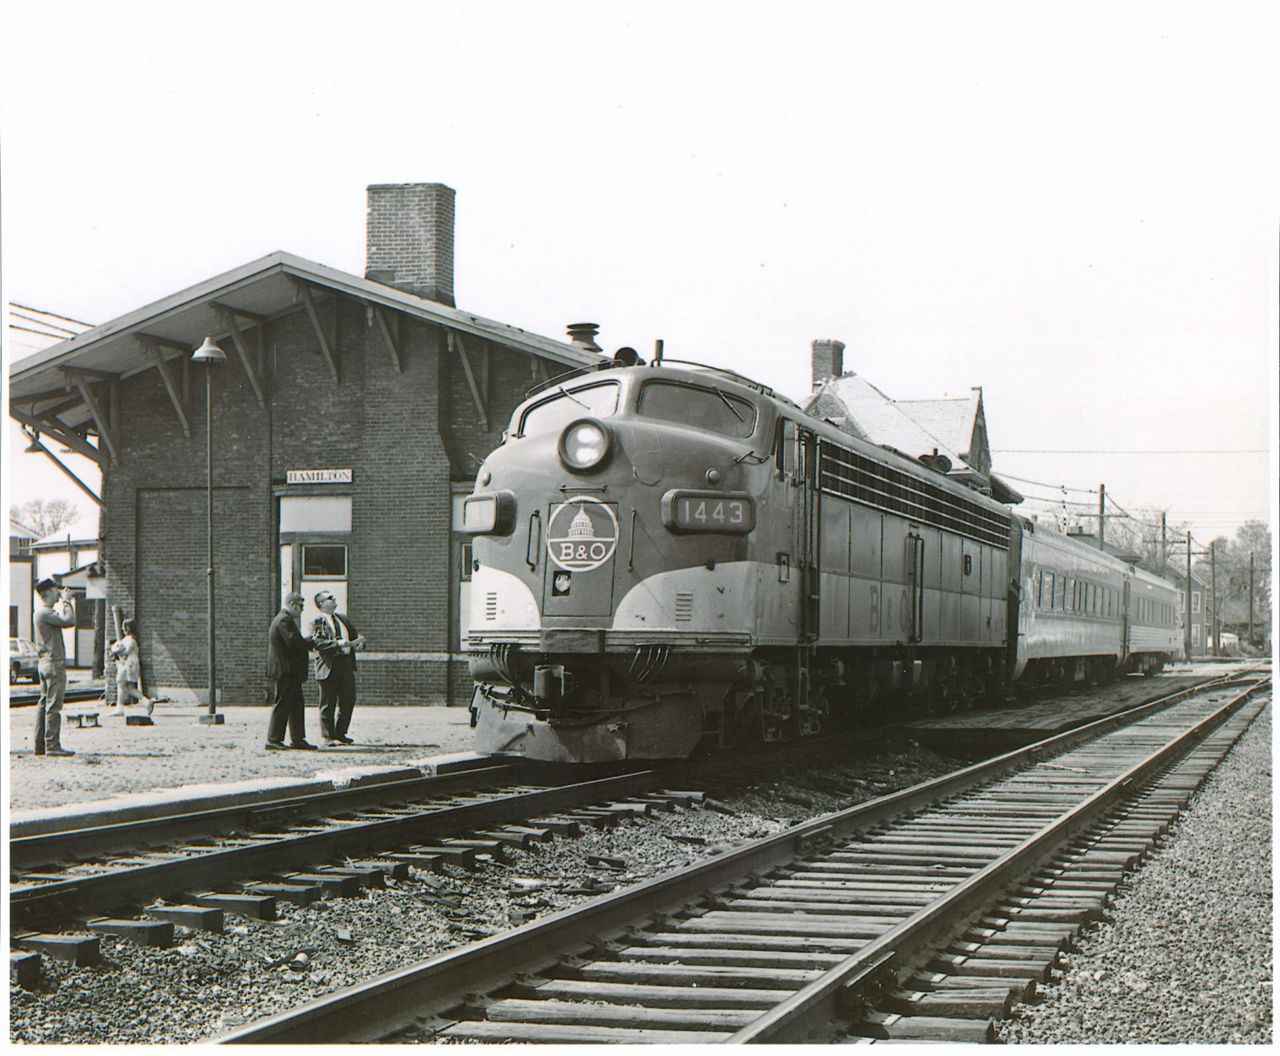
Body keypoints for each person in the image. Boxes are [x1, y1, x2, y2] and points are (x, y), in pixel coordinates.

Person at [311, 591, 366, 746]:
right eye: (329, 598)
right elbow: (319, 643)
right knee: (328, 702)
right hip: (330, 665)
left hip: (346, 664)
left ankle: (341, 733)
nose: (334, 599)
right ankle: (328, 736)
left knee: (348, 699)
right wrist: (339, 644)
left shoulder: (343, 619)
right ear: (321, 603)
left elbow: (355, 634)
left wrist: (360, 642)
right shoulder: (319, 621)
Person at [265, 593, 316, 750]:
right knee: (282, 704)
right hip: (285, 671)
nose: (301, 610)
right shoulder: (284, 620)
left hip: (291, 672)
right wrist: (312, 641)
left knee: (296, 705)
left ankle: (298, 738)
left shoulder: (284, 619)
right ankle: (273, 740)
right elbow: (293, 642)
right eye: (301, 606)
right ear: (293, 604)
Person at [33, 578, 77, 756]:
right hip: (53, 663)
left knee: (44, 703)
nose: (58, 592)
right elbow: (69, 621)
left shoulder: (40, 613)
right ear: (48, 593)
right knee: (54, 705)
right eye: (55, 590)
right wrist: (67, 601)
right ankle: (52, 745)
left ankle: (40, 745)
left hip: (44, 663)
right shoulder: (45, 613)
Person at [108, 618, 152, 717]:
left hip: (127, 665)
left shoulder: (131, 640)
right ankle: (146, 702)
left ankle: (119, 709)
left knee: (121, 685)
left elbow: (125, 651)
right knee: (129, 688)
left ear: (128, 628)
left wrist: (115, 651)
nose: (122, 629)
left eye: (124, 627)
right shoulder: (129, 639)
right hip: (129, 665)